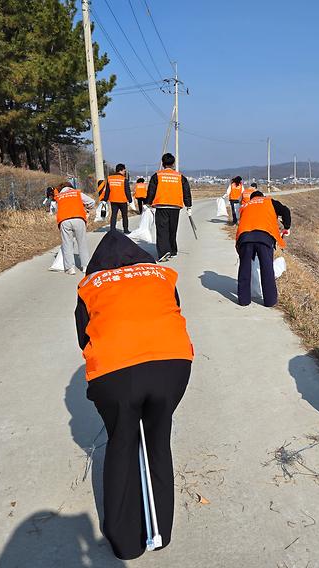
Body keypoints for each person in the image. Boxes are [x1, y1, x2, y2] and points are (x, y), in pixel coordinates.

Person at [75, 231, 193, 560]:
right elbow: (173, 313)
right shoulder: (160, 275)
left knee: (123, 440)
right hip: (173, 364)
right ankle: (161, 532)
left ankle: (125, 541)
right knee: (158, 440)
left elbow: (83, 337)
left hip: (116, 372)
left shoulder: (91, 284)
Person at [235, 191, 291, 307]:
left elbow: (241, 223)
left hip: (245, 238)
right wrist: (287, 226)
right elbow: (286, 210)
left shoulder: (245, 205)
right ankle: (270, 301)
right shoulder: (269, 201)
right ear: (262, 196)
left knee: (244, 269)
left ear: (252, 198)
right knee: (267, 269)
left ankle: (243, 300)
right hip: (264, 237)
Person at [145, 153, 192, 262]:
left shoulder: (157, 175)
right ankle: (172, 249)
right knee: (172, 228)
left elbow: (151, 190)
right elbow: (186, 192)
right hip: (175, 206)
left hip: (161, 206)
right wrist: (188, 205)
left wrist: (148, 203)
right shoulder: (180, 177)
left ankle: (163, 253)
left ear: (163, 163)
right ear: (173, 164)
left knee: (162, 230)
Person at [54, 182, 95, 275]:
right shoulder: (77, 193)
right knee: (82, 242)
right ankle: (85, 266)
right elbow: (92, 202)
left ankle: (70, 268)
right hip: (78, 218)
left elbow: (57, 210)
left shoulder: (59, 196)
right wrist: (87, 208)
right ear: (71, 187)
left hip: (64, 220)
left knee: (67, 243)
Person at [102, 164, 133, 234]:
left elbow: (107, 190)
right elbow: (127, 191)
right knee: (124, 216)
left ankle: (112, 229)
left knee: (114, 215)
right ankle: (126, 230)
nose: (125, 172)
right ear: (121, 170)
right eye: (124, 171)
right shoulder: (124, 179)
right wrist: (130, 200)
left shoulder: (110, 178)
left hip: (113, 200)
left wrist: (105, 200)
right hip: (122, 201)